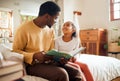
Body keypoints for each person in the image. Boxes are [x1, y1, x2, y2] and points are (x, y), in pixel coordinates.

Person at [12, 1, 82, 81]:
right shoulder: (23, 29)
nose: (56, 21)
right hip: (32, 65)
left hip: (48, 62)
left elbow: (52, 50)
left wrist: (60, 59)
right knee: (62, 74)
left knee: (76, 72)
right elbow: (15, 51)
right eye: (56, 18)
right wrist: (34, 55)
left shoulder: (50, 30)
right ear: (47, 16)